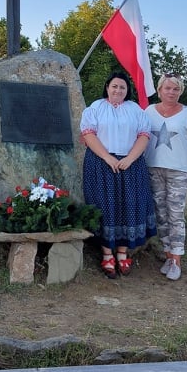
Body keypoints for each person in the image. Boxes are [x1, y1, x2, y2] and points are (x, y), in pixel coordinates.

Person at [80, 71, 156, 278]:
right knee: (105, 205)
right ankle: (106, 255)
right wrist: (107, 157)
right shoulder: (95, 108)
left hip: (130, 164)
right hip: (101, 164)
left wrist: (130, 158)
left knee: (127, 205)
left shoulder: (136, 110)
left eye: (122, 87)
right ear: (107, 87)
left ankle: (122, 253)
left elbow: (143, 135)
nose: (118, 90)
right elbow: (88, 134)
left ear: (127, 90)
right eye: (114, 86)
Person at [144, 73, 187, 280]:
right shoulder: (149, 111)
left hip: (179, 170)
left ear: (180, 91)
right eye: (167, 88)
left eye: (176, 89)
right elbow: (139, 135)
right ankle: (168, 255)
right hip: (153, 168)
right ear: (160, 90)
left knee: (175, 213)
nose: (171, 92)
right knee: (160, 213)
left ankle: (177, 259)